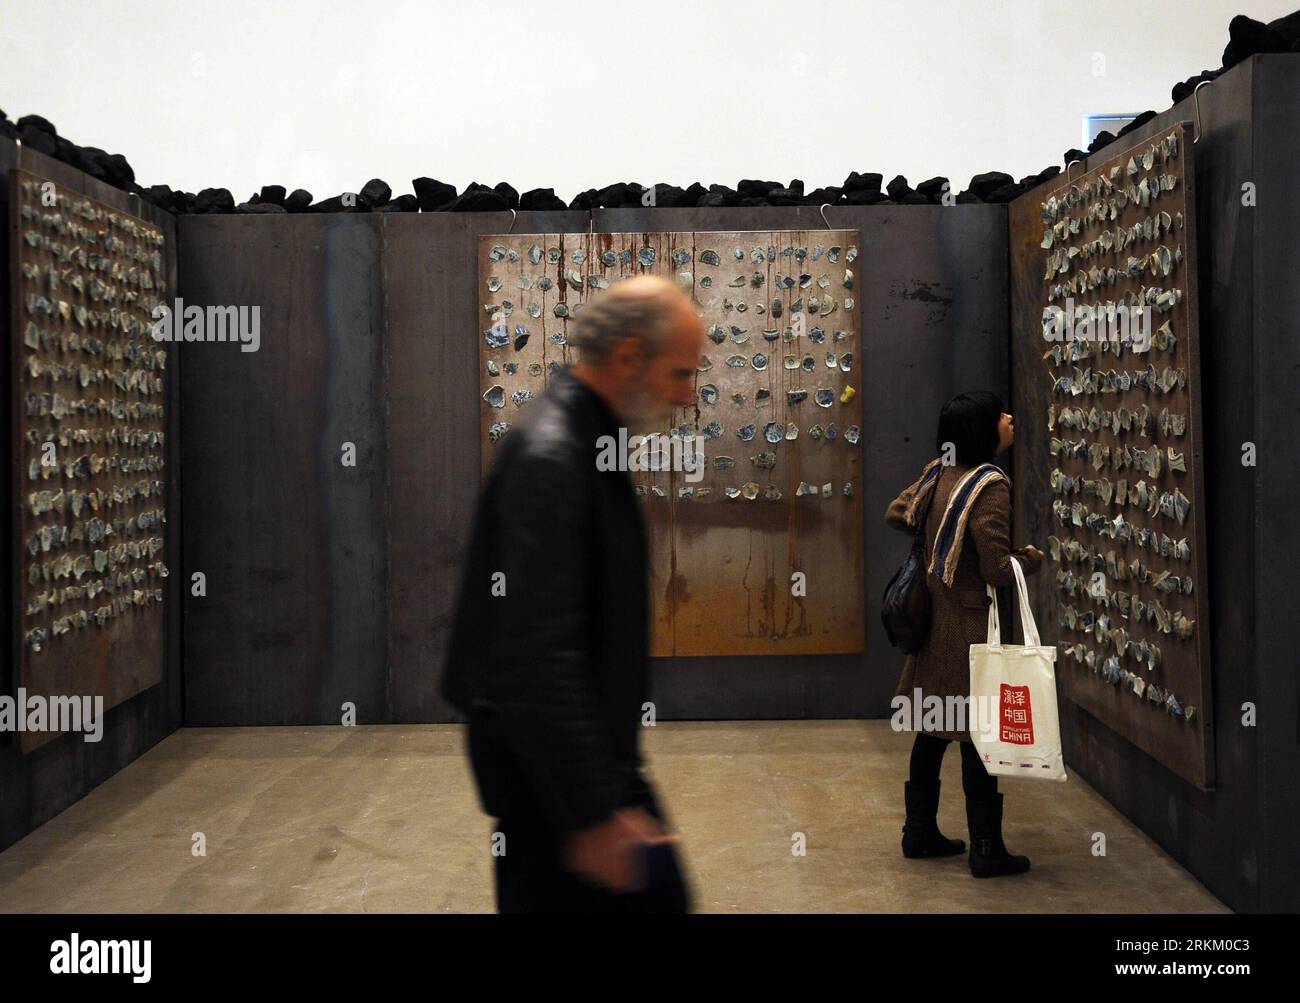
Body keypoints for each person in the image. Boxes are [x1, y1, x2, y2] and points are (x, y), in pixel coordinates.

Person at [442, 275, 704, 912]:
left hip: (582, 771)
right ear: (625, 358)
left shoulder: (585, 443)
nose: (689, 396)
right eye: (680, 374)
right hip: (553, 793)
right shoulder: (555, 459)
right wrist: (594, 815)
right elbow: (536, 655)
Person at [884, 391, 1043, 878]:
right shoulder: (990, 486)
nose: (1009, 418)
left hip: (934, 625)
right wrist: (1031, 559)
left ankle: (918, 832)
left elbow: (897, 512)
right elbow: (997, 569)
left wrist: (938, 550)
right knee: (978, 738)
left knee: (933, 730)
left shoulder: (940, 472)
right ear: (983, 429)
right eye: (1000, 415)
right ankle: (987, 849)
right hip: (971, 626)